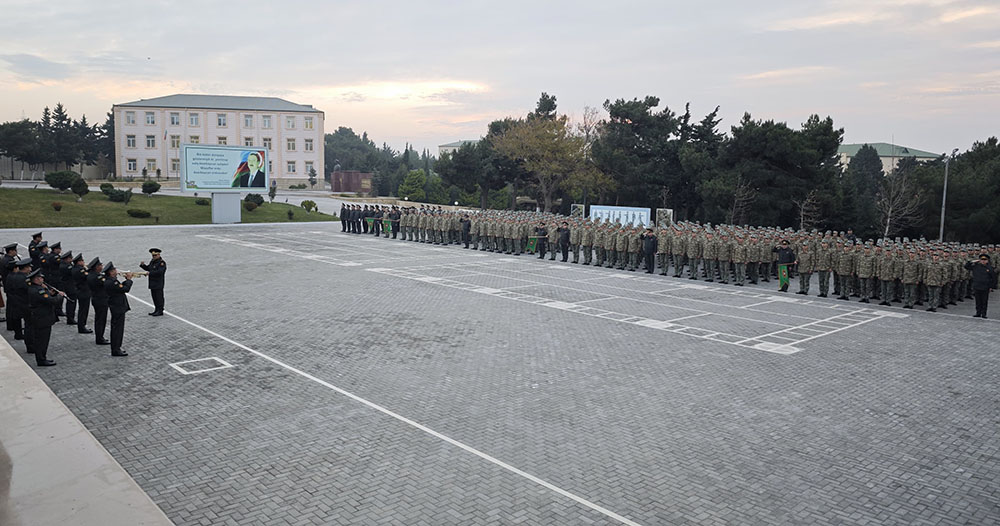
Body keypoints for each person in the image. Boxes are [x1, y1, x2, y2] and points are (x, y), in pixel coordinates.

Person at [26, 268, 63, 366]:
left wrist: (51, 293)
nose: (42, 279)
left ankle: (43, 357)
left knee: (43, 339)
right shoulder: (38, 291)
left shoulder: (37, 289)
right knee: (41, 340)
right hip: (42, 318)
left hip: (41, 317)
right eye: (40, 278)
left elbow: (47, 298)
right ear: (36, 279)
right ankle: (41, 359)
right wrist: (59, 296)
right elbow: (52, 301)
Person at [104, 262, 133, 357]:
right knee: (118, 330)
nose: (116, 272)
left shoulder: (110, 281)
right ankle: (116, 349)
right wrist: (129, 279)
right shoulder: (113, 282)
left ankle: (116, 348)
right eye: (114, 270)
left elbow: (120, 288)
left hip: (115, 306)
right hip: (118, 307)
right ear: (111, 272)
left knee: (117, 329)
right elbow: (125, 289)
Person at [965, 254, 997, 318]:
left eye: (985, 260)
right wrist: (972, 262)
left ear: (987, 261)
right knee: (978, 301)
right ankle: (978, 313)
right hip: (977, 286)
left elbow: (993, 278)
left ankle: (984, 314)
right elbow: (966, 267)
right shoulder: (976, 266)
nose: (983, 261)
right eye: (982, 260)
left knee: (984, 301)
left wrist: (991, 287)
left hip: (985, 287)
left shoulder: (990, 268)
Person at [88, 258, 110, 345]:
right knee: (101, 320)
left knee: (98, 319)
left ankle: (99, 336)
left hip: (96, 298)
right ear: (97, 267)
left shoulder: (91, 275)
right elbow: (106, 283)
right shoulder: (98, 277)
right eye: (100, 265)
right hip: (101, 299)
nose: (102, 267)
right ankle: (100, 338)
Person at [140, 248, 166, 316]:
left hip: (158, 283)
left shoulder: (161, 263)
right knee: (154, 297)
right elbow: (149, 268)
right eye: (153, 255)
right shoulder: (153, 261)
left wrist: (150, 273)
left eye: (155, 255)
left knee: (159, 297)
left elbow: (160, 272)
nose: (153, 257)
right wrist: (143, 265)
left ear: (158, 255)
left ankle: (160, 310)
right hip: (152, 283)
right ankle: (156, 309)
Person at [71, 254, 93, 334]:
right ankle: (82, 327)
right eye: (82, 261)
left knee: (82, 310)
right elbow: (87, 276)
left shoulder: (75, 269)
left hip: (80, 290)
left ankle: (82, 325)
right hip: (84, 291)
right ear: (79, 262)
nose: (83, 262)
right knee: (83, 310)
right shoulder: (80, 270)